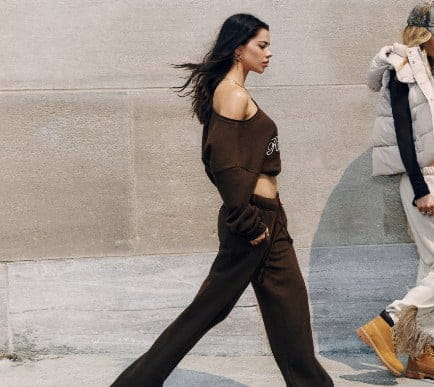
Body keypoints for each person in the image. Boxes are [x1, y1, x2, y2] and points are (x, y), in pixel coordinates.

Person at [114, 13, 333, 387]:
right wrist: (247, 223)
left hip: (269, 221)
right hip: (251, 223)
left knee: (289, 313)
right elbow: (226, 166)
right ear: (238, 49)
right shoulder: (231, 94)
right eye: (261, 46)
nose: (268, 54)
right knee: (205, 313)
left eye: (268, 46)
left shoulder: (236, 92)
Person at [355, 1, 434, 381]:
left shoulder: (432, 70)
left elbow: (427, 128)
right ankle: (388, 321)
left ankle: (422, 352)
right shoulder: (402, 68)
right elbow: (403, 136)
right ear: (419, 33)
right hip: (427, 182)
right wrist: (421, 189)